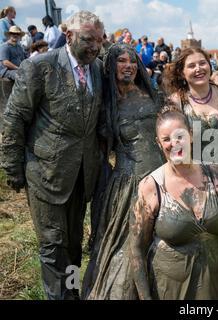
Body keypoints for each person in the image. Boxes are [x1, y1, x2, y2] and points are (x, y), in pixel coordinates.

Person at [0, 10, 105, 300]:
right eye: (88, 39)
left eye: (99, 40)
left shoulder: (96, 68)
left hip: (82, 175)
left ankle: (71, 292)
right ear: (69, 35)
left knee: (73, 244)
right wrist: (12, 168)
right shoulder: (40, 67)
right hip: (45, 173)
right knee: (52, 245)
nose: (95, 46)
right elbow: (14, 118)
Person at [130, 106, 218, 299]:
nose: (174, 143)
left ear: (191, 135)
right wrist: (145, 297)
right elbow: (136, 248)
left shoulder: (217, 175)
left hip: (217, 286)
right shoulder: (150, 187)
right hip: (169, 288)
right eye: (166, 139)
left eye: (179, 136)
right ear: (159, 143)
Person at [82, 43, 163, 300]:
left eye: (131, 61)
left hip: (161, 177)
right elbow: (101, 149)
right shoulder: (105, 103)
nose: (127, 66)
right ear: (111, 66)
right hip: (128, 185)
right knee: (126, 250)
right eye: (121, 61)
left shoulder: (151, 94)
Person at [163, 47, 218, 167]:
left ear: (209, 66)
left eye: (202, 63)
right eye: (191, 66)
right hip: (194, 177)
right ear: (182, 73)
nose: (198, 68)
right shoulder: (176, 102)